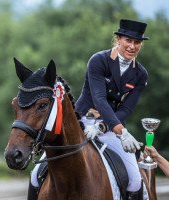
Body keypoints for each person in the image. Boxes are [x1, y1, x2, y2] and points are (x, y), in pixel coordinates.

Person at [75, 19, 149, 199]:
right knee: (38, 174)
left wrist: (106, 128)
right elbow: (100, 99)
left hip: (110, 129)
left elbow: (127, 108)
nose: (132, 46)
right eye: (128, 41)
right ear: (118, 39)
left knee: (135, 180)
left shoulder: (140, 74)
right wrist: (122, 132)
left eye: (137, 42)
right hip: (82, 122)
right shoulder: (99, 60)